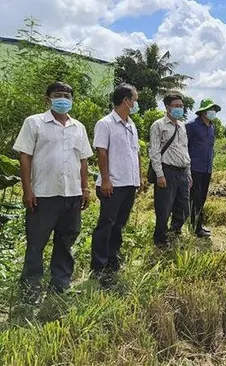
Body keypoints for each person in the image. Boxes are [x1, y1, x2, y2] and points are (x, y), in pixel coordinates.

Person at [12, 81, 93, 303]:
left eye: (67, 96)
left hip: (72, 194)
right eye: (58, 95)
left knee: (66, 241)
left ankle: (60, 284)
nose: (63, 99)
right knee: (36, 243)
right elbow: (25, 157)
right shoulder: (34, 123)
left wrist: (85, 188)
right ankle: (31, 289)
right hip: (43, 195)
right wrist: (27, 190)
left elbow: (83, 160)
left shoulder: (79, 127)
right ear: (47, 98)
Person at [90, 83, 144, 288]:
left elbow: (135, 153)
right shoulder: (105, 124)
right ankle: (99, 265)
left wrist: (137, 179)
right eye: (135, 100)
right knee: (106, 224)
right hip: (113, 184)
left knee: (119, 225)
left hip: (129, 183)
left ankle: (113, 259)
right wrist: (105, 179)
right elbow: (101, 152)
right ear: (126, 101)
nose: (136, 103)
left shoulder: (131, 125)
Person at [149, 94, 192, 248]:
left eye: (181, 106)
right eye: (176, 105)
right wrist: (160, 175)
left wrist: (189, 173)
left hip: (182, 172)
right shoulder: (158, 125)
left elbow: (185, 150)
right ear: (167, 107)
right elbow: (154, 152)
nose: (180, 108)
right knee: (164, 208)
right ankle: (160, 239)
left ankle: (174, 231)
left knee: (184, 208)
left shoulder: (182, 126)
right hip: (167, 172)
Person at [186, 98, 220, 237]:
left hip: (207, 168)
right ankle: (196, 227)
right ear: (203, 112)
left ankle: (197, 225)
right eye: (210, 110)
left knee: (203, 198)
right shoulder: (192, 126)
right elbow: (185, 146)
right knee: (196, 198)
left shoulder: (211, 127)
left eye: (214, 110)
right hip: (195, 168)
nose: (213, 113)